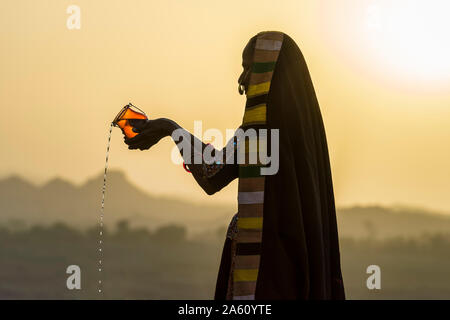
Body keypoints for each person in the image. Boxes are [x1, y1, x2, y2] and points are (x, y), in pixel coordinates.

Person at [124, 31, 345, 300]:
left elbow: (212, 173)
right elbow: (214, 171)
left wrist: (170, 129)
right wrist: (170, 129)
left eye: (248, 68)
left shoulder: (258, 133)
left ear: (268, 71)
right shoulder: (303, 138)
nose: (241, 79)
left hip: (266, 279)